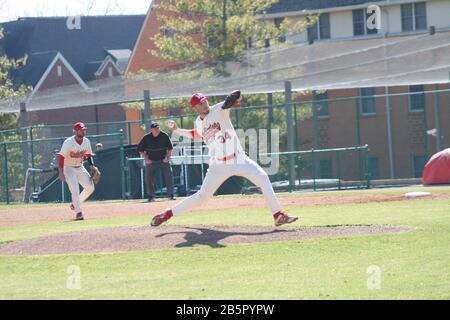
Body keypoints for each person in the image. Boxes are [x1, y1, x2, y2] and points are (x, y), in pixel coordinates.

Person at [150, 91, 298, 227]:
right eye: (200, 103)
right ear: (195, 107)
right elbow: (197, 134)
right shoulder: (198, 122)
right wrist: (177, 130)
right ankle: (167, 214)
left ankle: (278, 215)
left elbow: (229, 102)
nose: (204, 104)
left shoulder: (219, 109)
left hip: (239, 159)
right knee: (202, 197)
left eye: (205, 101)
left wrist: (233, 97)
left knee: (263, 178)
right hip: (218, 165)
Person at [58, 122, 97, 221]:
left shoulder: (86, 141)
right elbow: (61, 157)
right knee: (75, 189)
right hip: (68, 168)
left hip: (80, 167)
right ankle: (78, 212)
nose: (83, 131)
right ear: (75, 131)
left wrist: (92, 166)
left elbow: (88, 155)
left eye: (84, 129)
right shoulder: (68, 142)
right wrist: (61, 172)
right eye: (81, 129)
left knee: (90, 187)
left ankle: (75, 203)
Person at [137, 122, 175, 202]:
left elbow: (170, 148)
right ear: (151, 130)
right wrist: (146, 159)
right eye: (154, 129)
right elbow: (140, 150)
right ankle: (151, 196)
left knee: (169, 175)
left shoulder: (164, 136)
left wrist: (167, 158)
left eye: (157, 128)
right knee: (148, 178)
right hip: (151, 161)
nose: (156, 130)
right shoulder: (146, 138)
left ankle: (170, 195)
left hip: (163, 161)